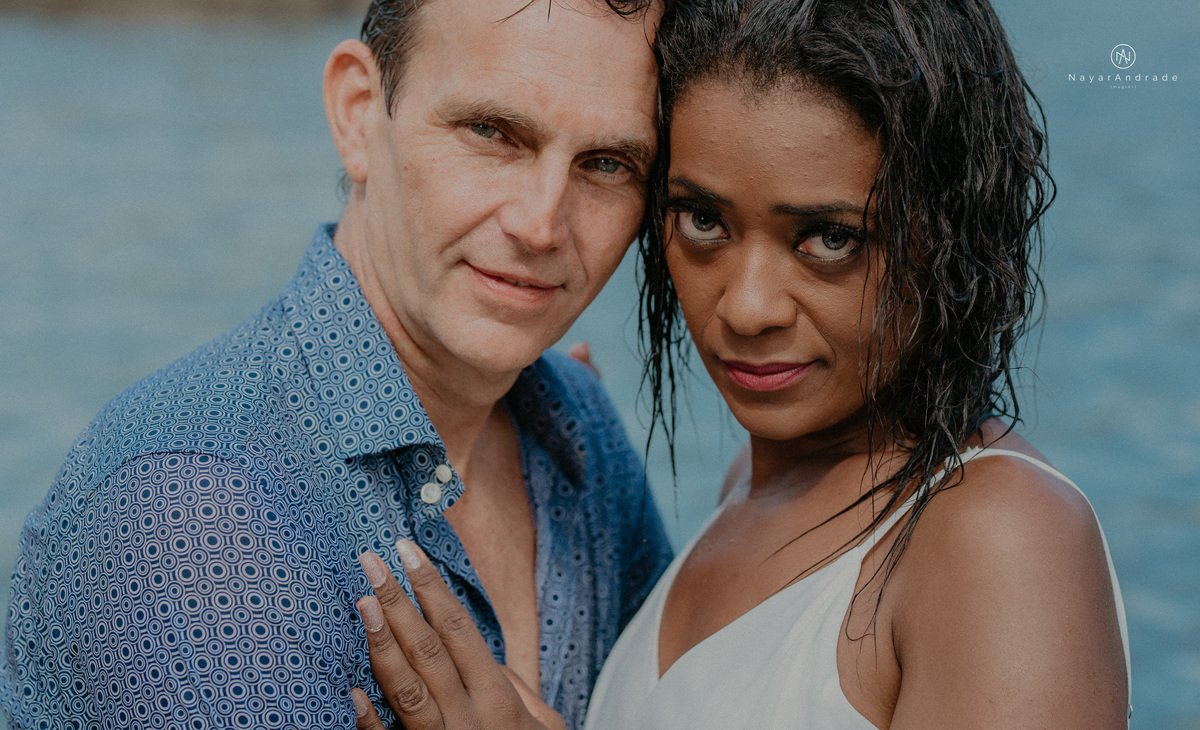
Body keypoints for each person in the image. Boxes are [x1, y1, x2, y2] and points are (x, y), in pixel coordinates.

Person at [350, 0, 1132, 727]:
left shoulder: (1002, 540)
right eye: (703, 221)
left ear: (951, 235)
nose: (748, 308)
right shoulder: (747, 491)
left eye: (830, 238)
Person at [0, 1, 674, 727]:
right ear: (358, 114)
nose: (541, 223)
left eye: (607, 163)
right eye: (491, 132)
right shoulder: (195, 522)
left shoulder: (579, 433)